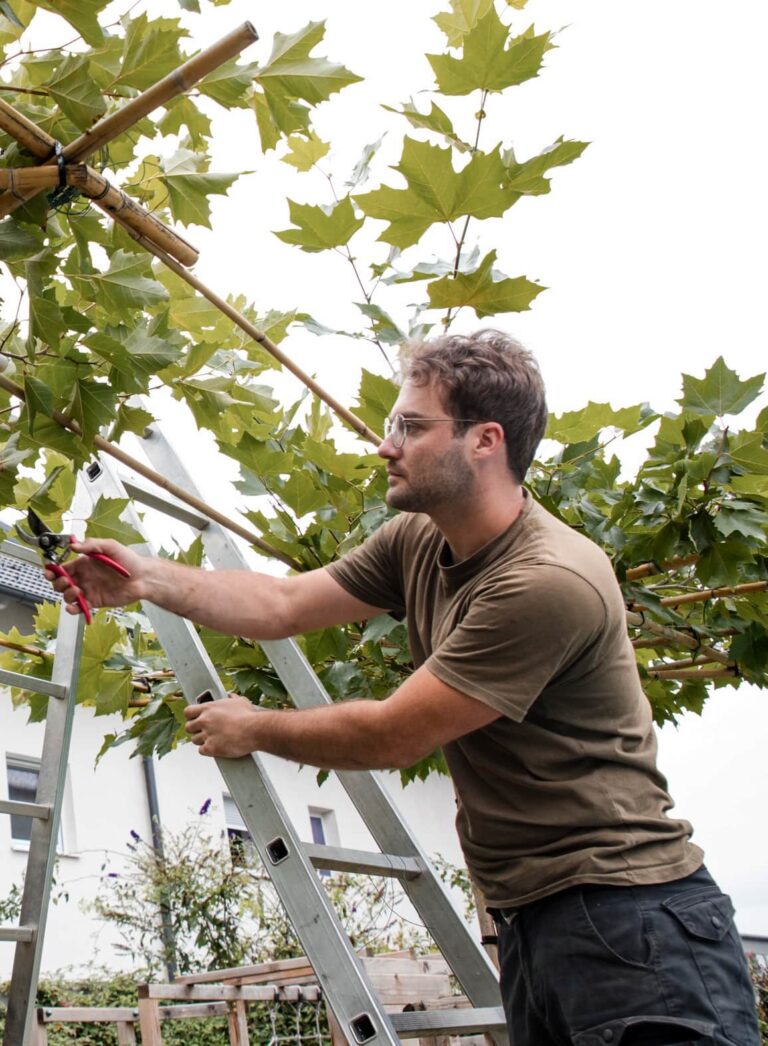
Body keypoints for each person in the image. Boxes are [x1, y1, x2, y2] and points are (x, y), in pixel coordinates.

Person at [48, 330, 759, 1046]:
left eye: (412, 427)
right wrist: (145, 578)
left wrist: (253, 726)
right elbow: (282, 604)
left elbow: (393, 735)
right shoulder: (419, 539)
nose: (387, 446)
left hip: (630, 923)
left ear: (485, 441)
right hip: (536, 919)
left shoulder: (546, 580)